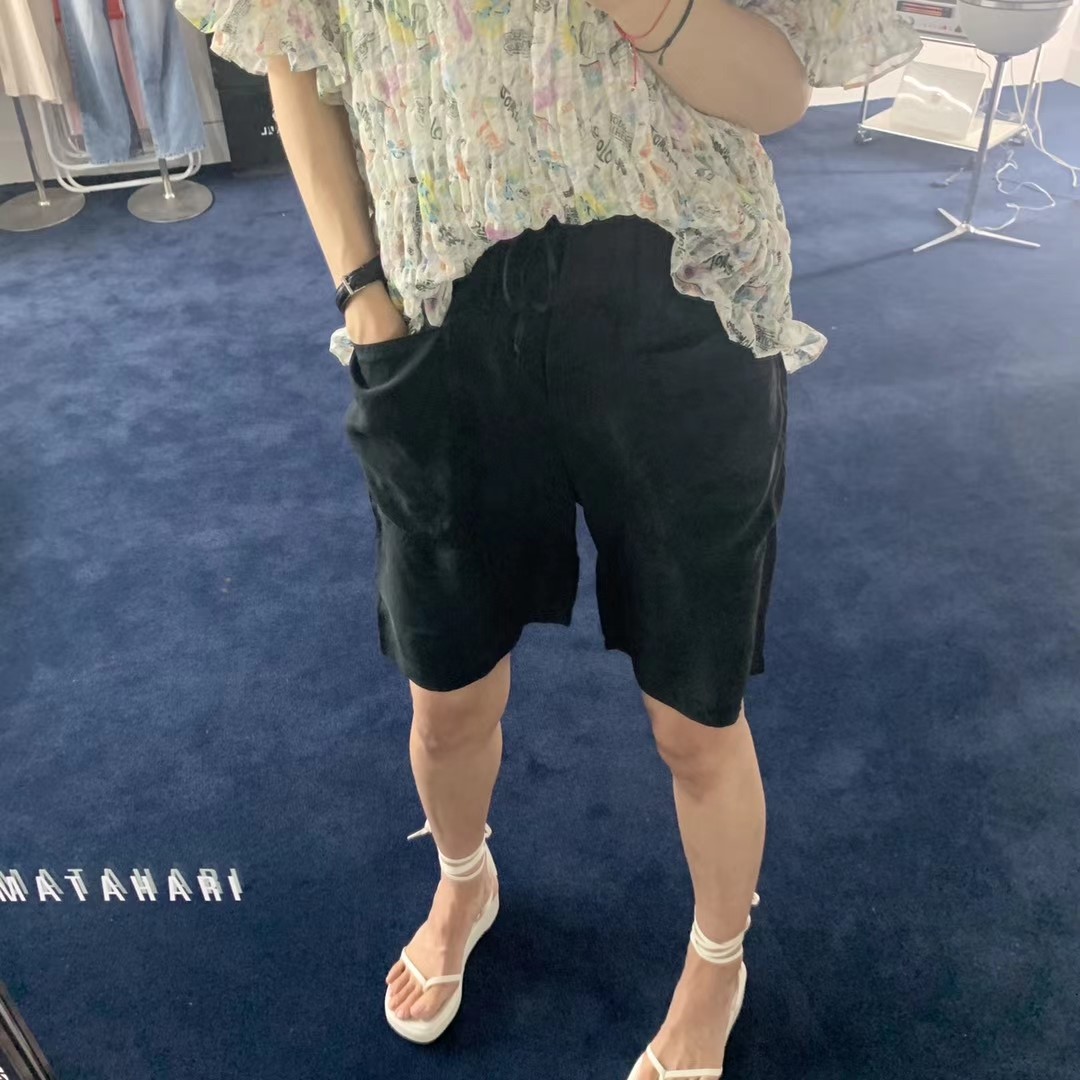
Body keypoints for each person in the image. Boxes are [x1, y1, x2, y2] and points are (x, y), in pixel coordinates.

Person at [180, 1, 920, 1075]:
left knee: (696, 713)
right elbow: (291, 51)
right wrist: (362, 293)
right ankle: (462, 878)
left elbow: (779, 92)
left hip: (686, 298)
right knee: (445, 693)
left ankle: (718, 959)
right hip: (438, 312)